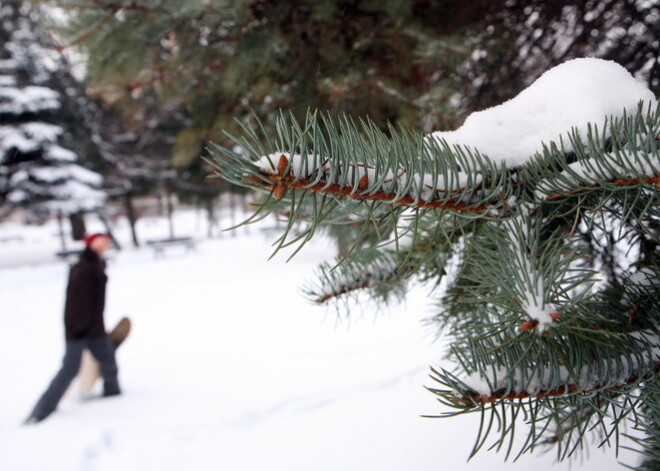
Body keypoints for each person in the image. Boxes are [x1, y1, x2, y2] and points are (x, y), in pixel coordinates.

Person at [26, 233, 121, 423]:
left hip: (94, 329)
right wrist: (79, 327)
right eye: (100, 241)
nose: (104, 244)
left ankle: (113, 396)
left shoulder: (94, 263)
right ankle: (41, 411)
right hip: (79, 329)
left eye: (106, 242)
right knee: (70, 369)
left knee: (108, 360)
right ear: (90, 244)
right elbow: (76, 301)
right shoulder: (84, 267)